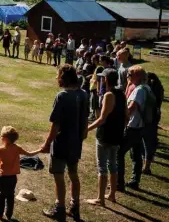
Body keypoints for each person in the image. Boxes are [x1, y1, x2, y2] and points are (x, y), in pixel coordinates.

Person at [41, 64, 88, 222]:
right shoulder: (83, 94)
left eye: (58, 75)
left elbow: (56, 124)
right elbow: (85, 122)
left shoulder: (62, 96)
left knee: (59, 175)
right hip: (76, 143)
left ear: (63, 77)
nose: (56, 78)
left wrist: (48, 142)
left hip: (61, 143)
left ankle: (60, 208)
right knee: (73, 174)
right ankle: (75, 207)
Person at [0, 126, 41, 221]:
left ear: (6, 138)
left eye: (2, 136)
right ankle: (9, 215)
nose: (0, 138)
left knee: (1, 195)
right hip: (13, 178)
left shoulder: (1, 150)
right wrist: (40, 149)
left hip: (3, 177)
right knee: (10, 196)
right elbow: (29, 154)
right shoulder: (17, 148)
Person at [85, 68, 126, 206]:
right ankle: (112, 195)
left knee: (102, 167)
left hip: (105, 136)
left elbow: (102, 119)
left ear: (106, 80)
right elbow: (127, 116)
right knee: (112, 164)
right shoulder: (122, 94)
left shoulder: (109, 95)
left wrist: (86, 129)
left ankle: (100, 199)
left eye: (103, 78)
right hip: (116, 135)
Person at [117, 65, 151, 190]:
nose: (127, 77)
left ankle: (119, 183)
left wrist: (122, 122)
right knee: (136, 154)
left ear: (137, 76)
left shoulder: (139, 90)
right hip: (141, 127)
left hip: (133, 126)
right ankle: (135, 180)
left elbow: (131, 108)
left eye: (129, 75)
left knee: (119, 152)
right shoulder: (147, 88)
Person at [143, 72, 164, 174]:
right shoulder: (159, 89)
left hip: (148, 119)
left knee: (146, 143)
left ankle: (146, 166)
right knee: (150, 142)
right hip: (154, 119)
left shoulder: (149, 91)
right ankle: (147, 165)